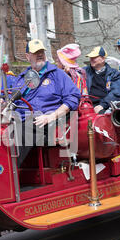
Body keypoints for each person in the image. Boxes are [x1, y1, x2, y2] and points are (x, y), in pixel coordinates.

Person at [12, 39, 80, 167]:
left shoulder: (57, 74)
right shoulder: (21, 79)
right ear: (27, 56)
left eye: (41, 52)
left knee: (22, 130)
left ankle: (9, 175)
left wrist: (51, 116)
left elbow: (73, 97)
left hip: (49, 121)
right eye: (35, 52)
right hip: (22, 120)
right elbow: (12, 100)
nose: (40, 55)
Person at [84, 46, 120, 113]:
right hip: (86, 106)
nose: (91, 59)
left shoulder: (114, 73)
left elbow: (116, 93)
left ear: (103, 59)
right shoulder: (83, 71)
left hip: (106, 106)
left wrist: (102, 105)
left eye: (94, 57)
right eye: (91, 57)